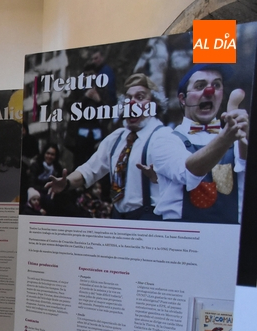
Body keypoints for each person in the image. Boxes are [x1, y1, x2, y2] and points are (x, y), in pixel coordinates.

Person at [47, 73, 189, 220]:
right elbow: (89, 170)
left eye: (140, 97)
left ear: (155, 105)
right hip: (118, 218)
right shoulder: (117, 138)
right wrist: (66, 183)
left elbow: (187, 175)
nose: (132, 102)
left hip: (149, 221)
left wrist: (161, 176)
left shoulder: (164, 136)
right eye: (128, 98)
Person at [152, 64, 249, 224]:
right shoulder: (165, 139)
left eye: (216, 85)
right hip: (183, 240)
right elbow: (187, 173)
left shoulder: (237, 136)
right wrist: (226, 137)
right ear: (183, 99)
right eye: (200, 86)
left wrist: (244, 137)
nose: (209, 91)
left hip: (227, 238)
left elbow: (246, 169)